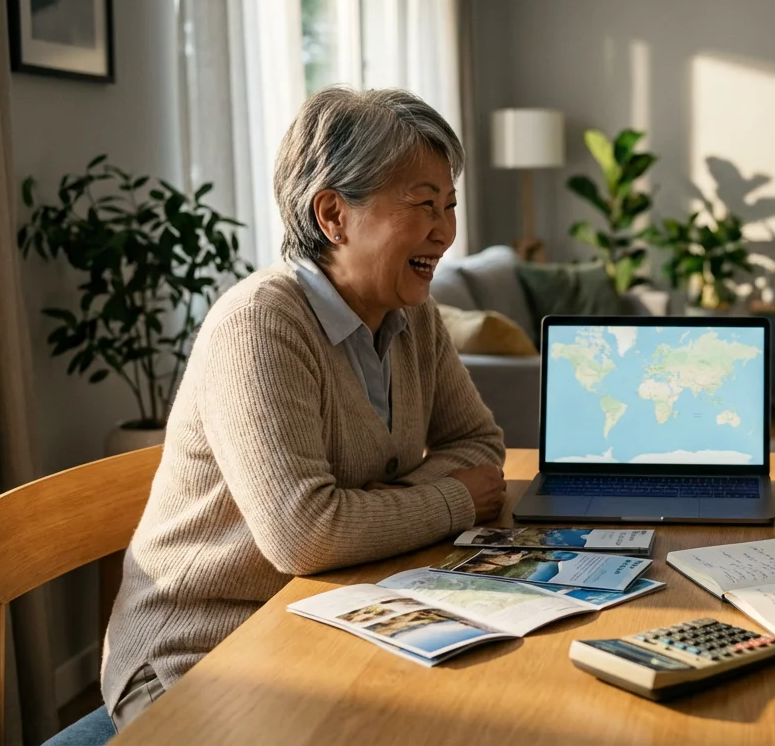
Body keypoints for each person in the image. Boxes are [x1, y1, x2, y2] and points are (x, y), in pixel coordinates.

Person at [101, 87, 507, 730]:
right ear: (332, 215)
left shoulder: (413, 314)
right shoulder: (260, 324)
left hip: (335, 615)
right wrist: (452, 500)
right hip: (204, 651)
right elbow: (305, 534)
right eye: (425, 205)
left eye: (450, 205)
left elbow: (480, 447)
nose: (446, 231)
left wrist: (373, 504)